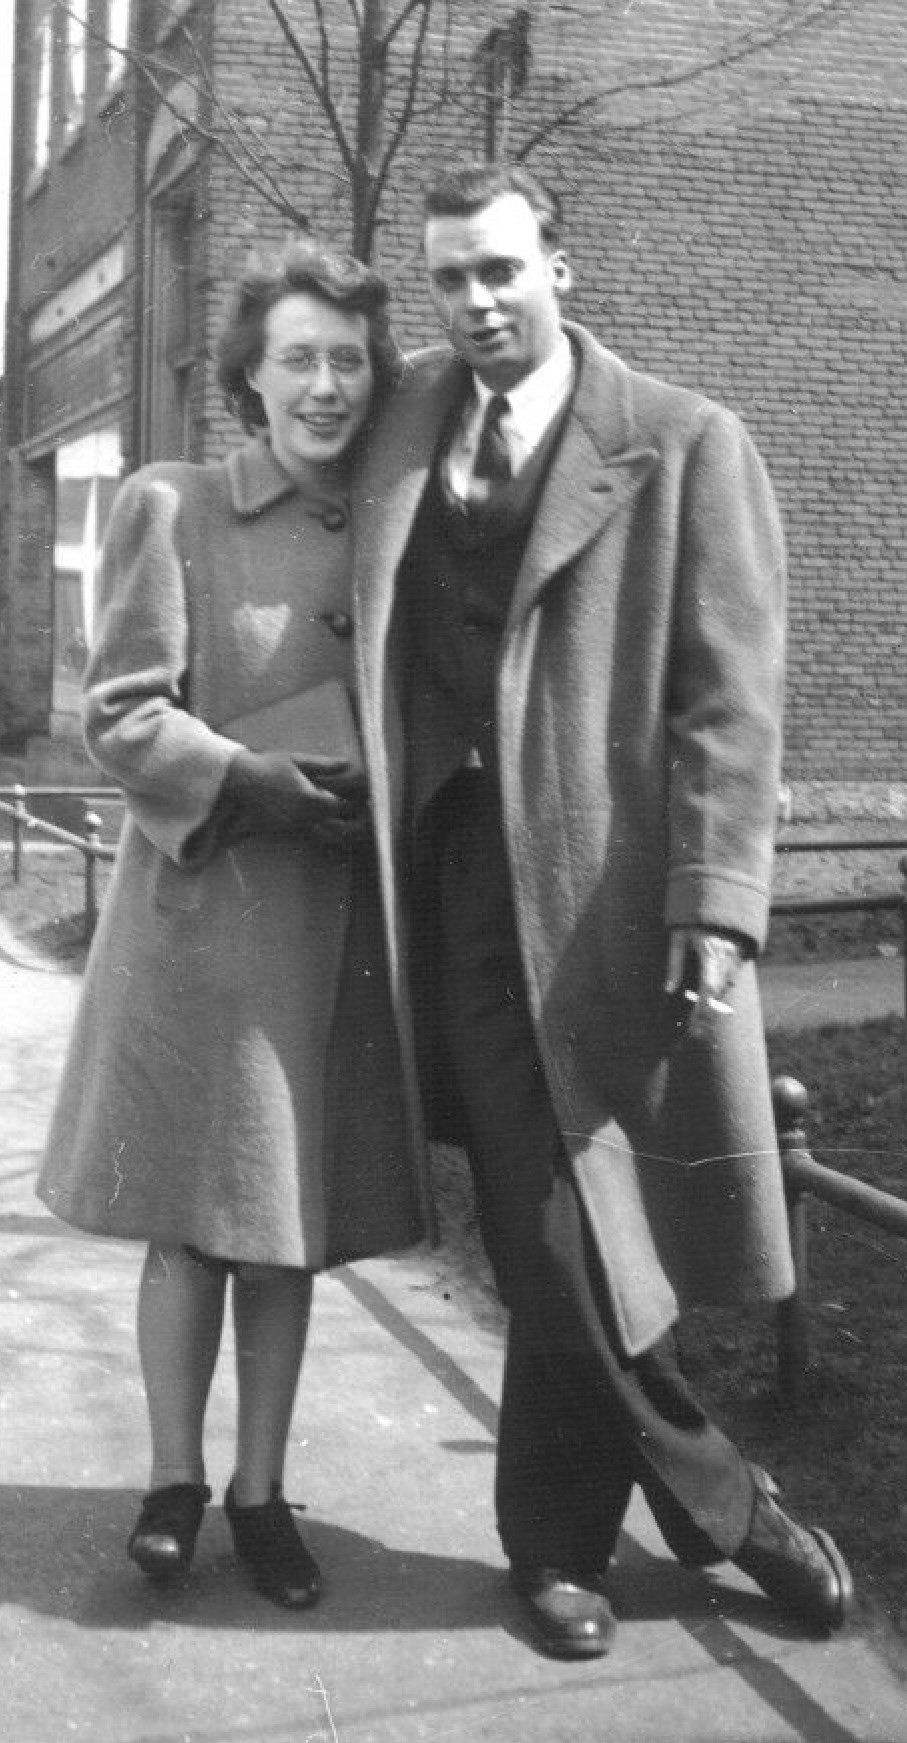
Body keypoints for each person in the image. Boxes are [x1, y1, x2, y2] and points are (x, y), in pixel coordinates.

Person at [350, 163, 854, 1659]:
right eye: (449, 277)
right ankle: (710, 1513)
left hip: (610, 899)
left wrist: (719, 897)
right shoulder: (409, 423)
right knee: (540, 1206)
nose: (474, 302)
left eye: (500, 269)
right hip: (457, 884)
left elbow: (730, 700)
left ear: (560, 268)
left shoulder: (685, 441)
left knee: (564, 1216)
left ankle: (576, 1544)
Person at [37, 241, 431, 1608]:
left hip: (329, 925)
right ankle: (171, 1480)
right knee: (191, 1222)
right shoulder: (175, 503)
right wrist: (246, 778)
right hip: (202, 918)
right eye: (297, 358)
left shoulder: (395, 524)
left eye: (349, 361)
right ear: (248, 377)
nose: (325, 385)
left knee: (281, 1223)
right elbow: (121, 713)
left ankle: (261, 1495)